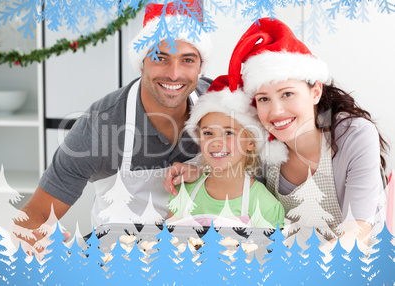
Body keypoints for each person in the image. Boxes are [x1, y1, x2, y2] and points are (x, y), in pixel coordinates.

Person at [166, 18, 389, 248]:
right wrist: (199, 170)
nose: (276, 111)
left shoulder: (353, 134)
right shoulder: (266, 143)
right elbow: (231, 156)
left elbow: (358, 230)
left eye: (287, 94)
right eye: (264, 99)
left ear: (315, 92)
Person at [16, 2, 213, 246]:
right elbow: (34, 213)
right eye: (160, 58)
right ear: (142, 62)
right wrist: (36, 237)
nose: (174, 73)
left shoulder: (218, 106)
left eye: (187, 60)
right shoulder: (101, 124)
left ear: (200, 66)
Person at [167, 78, 286, 228]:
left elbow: (269, 250)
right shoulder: (182, 192)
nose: (215, 142)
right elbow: (170, 242)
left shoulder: (265, 205)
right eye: (208, 133)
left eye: (229, 132)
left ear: (251, 143)